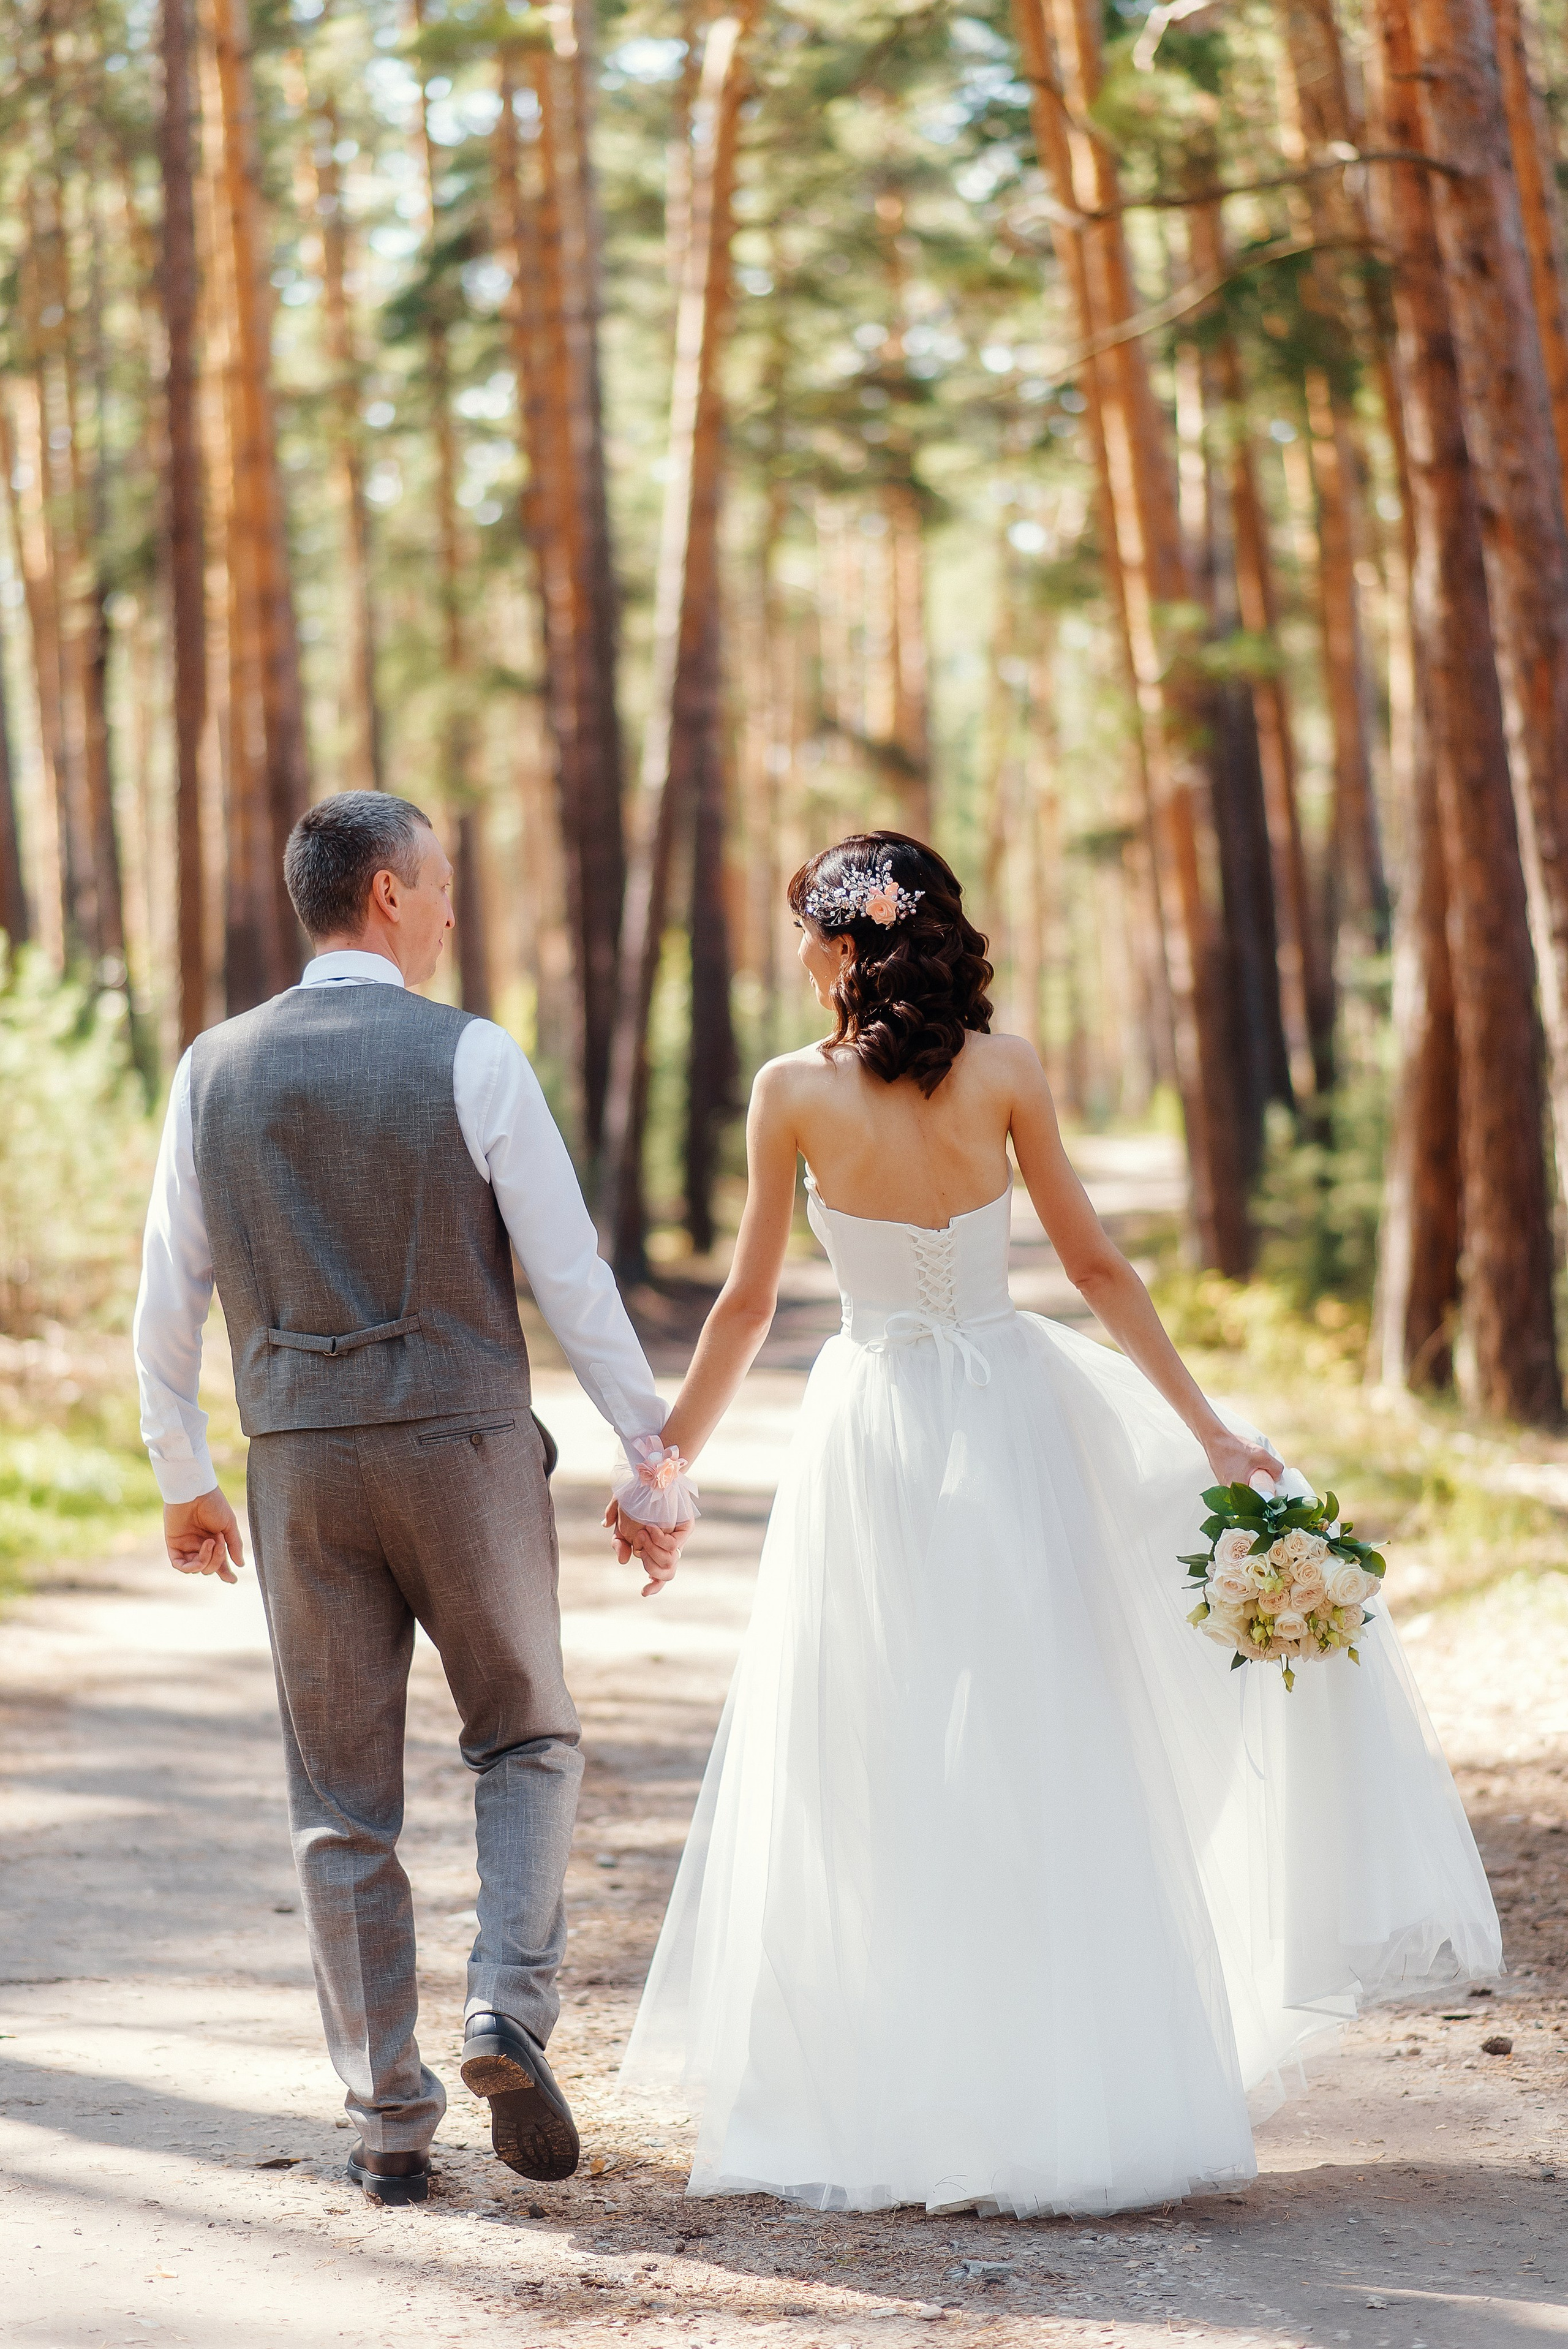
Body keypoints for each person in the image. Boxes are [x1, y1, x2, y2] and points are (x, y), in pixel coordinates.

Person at [617, 829, 1501, 2219]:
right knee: (1044, 1729)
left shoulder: (788, 1092)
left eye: (805, 929)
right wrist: (1207, 1428)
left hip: (872, 1430)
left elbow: (742, 1304)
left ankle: (890, 2086)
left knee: (874, 1740)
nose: (795, 954)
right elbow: (1091, 1263)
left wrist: (669, 1452)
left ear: (850, 942)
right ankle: (1064, 2084)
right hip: (1009, 1415)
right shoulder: (1007, 1069)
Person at [133, 792, 686, 2206]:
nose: (450, 910)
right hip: (463, 1453)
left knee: (339, 1800)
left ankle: (388, 2122)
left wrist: (185, 1477)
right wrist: (648, 1453)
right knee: (526, 1738)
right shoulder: (472, 1054)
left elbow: (169, 1296)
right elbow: (568, 1272)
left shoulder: (211, 1066)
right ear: (387, 893)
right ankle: (507, 2002)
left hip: (299, 1460)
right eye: (439, 885)